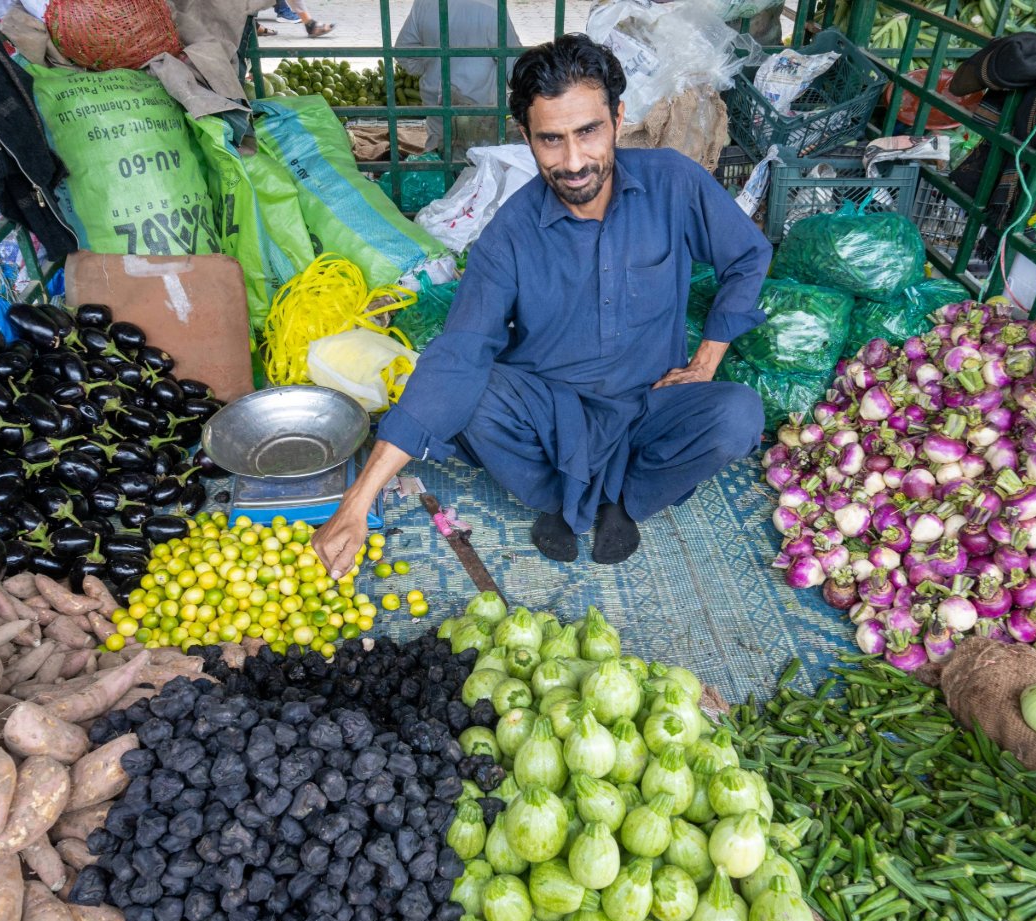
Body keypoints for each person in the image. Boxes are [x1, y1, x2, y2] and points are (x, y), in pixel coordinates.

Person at [312, 33, 770, 578]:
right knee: (471, 395)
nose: (574, 161)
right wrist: (358, 502)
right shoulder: (507, 235)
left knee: (737, 415)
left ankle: (619, 501)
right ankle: (561, 501)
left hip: (648, 403)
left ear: (618, 119)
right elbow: (459, 353)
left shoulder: (673, 182)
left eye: (589, 132)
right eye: (551, 140)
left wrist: (705, 362)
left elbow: (747, 255)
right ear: (525, 136)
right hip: (548, 415)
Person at [395, 0, 521, 151]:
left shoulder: (424, 3)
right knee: (476, 158)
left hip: (436, 103)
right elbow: (513, 68)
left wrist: (429, 68)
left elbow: (403, 51)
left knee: (439, 151)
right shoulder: (493, 7)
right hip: (479, 111)